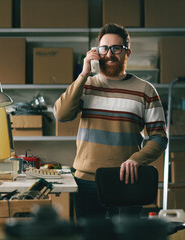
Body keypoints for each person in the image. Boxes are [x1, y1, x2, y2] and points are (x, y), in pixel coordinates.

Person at [53, 23, 168, 219]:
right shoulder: (86, 85)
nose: (109, 54)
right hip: (86, 181)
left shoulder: (146, 90)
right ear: (97, 52)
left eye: (116, 48)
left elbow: (159, 137)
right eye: (104, 48)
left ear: (127, 53)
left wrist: (136, 159)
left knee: (125, 236)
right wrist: (83, 74)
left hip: (127, 180)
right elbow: (61, 114)